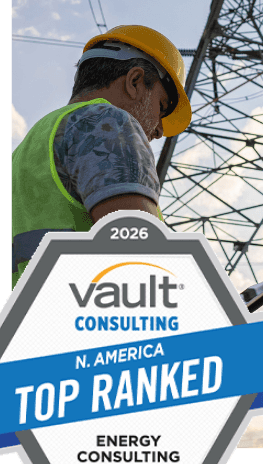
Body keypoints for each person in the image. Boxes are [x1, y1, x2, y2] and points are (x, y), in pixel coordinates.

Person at [11, 25, 192, 289]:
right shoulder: (108, 123)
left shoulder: (29, 148)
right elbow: (143, 264)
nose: (160, 130)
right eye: (161, 106)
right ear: (135, 82)